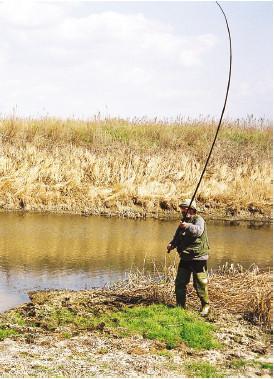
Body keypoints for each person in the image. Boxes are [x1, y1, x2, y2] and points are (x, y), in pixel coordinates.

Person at [167, 199, 210, 316]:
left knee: (200, 283)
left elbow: (198, 231)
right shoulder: (183, 222)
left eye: (184, 209)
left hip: (199, 257)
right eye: (182, 209)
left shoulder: (199, 220)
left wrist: (187, 226)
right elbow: (177, 236)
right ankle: (180, 307)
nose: (182, 211)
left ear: (192, 210)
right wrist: (172, 244)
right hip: (185, 257)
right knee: (180, 282)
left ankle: (205, 306)